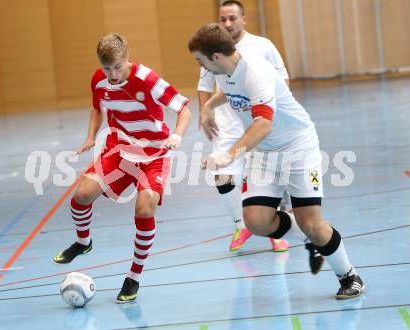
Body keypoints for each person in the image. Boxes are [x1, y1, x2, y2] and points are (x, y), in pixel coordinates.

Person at [188, 24, 364, 299]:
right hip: (265, 153)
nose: (201, 66)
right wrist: (209, 106)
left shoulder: (256, 72)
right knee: (256, 221)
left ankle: (349, 275)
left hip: (298, 148)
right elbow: (230, 90)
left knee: (313, 224)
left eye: (201, 60)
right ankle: (309, 238)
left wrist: (228, 154)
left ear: (217, 57)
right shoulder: (224, 71)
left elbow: (263, 125)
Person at [53, 32, 192, 304]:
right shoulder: (99, 79)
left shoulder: (148, 80)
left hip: (154, 153)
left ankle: (134, 277)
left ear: (127, 59)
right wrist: (91, 136)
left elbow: (184, 108)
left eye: (117, 67)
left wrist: (176, 135)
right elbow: (97, 108)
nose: (112, 74)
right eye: (107, 68)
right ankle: (83, 243)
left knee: (144, 209)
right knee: (81, 196)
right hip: (119, 149)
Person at [197, 0, 289, 252]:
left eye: (232, 18)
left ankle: (274, 231)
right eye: (223, 19)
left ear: (244, 19)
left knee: (266, 177)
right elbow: (204, 85)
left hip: (256, 121)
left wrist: (276, 115)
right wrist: (205, 111)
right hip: (227, 125)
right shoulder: (211, 49)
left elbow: (282, 81)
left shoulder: (262, 46)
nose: (227, 23)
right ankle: (241, 225)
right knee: (220, 175)